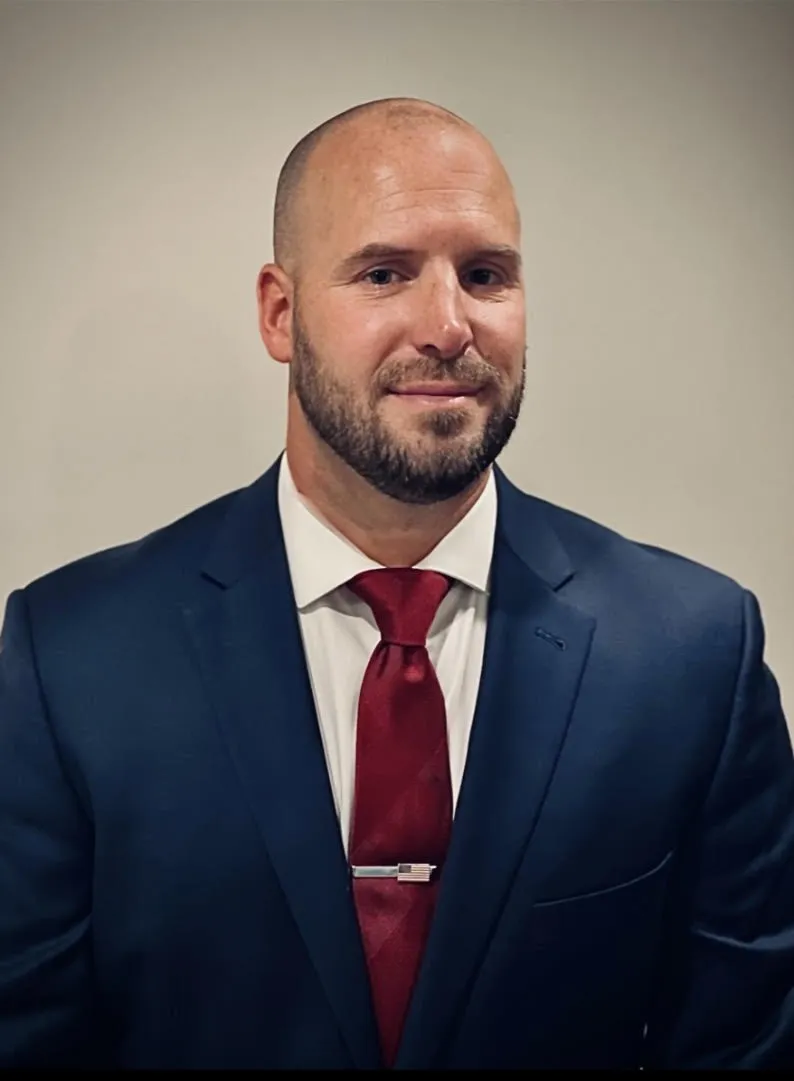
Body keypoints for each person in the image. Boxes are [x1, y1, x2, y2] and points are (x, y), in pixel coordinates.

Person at [0, 96, 792, 1071]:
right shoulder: (71, 658)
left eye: (484, 274)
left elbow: (740, 1047)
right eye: (383, 273)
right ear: (279, 313)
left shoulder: (692, 657)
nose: (447, 325)